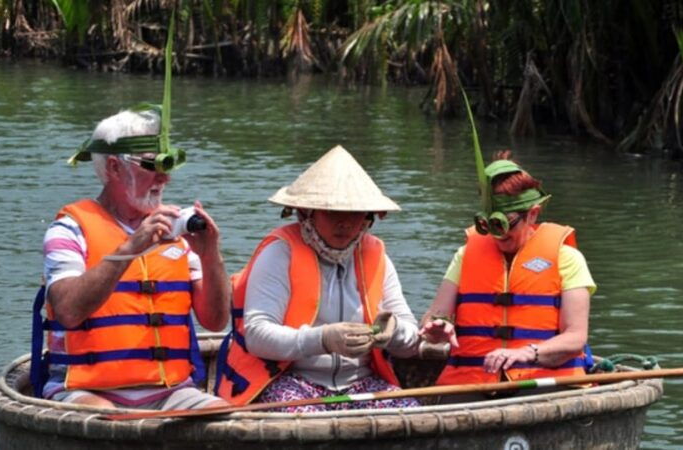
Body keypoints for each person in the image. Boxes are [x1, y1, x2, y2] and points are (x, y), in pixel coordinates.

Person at [30, 107, 230, 410]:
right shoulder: (70, 229)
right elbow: (68, 311)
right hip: (86, 390)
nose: (164, 178)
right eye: (152, 165)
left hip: (171, 391)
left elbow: (215, 321)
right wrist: (131, 248)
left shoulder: (178, 230)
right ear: (114, 167)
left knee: (225, 418)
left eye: (168, 165)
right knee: (108, 420)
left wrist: (211, 255)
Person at [214, 145, 420, 412]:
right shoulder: (280, 253)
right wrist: (323, 339)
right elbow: (257, 334)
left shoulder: (376, 255)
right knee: (306, 417)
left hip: (360, 384)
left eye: (354, 213)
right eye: (332, 212)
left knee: (410, 410)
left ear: (368, 218)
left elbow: (411, 340)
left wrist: (393, 332)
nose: (344, 223)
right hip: (290, 380)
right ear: (305, 213)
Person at [419, 150, 595, 386]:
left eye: (505, 223)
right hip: (473, 380)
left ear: (532, 214)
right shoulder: (465, 255)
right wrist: (436, 328)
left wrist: (527, 352)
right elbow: (433, 316)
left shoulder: (567, 258)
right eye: (488, 224)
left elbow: (576, 336)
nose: (497, 234)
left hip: (542, 383)